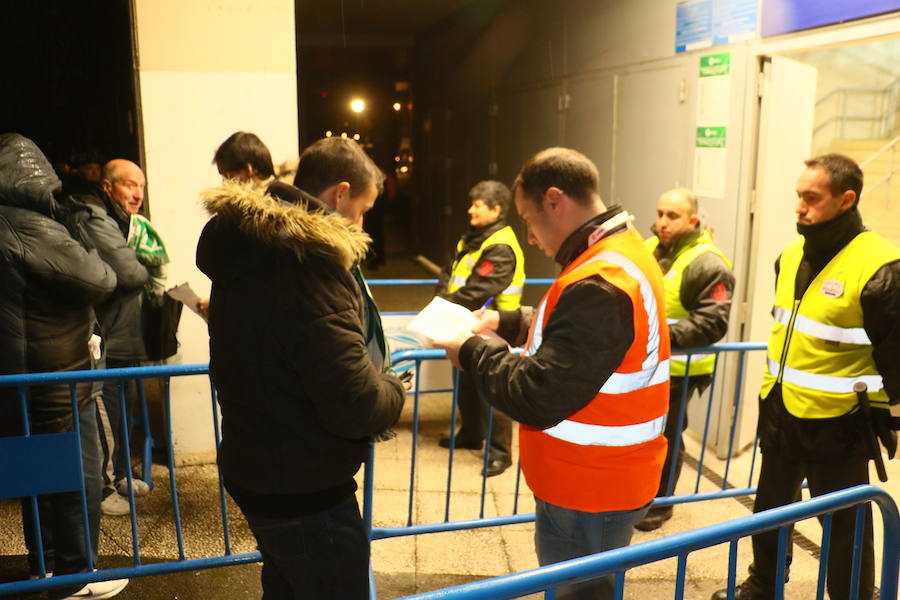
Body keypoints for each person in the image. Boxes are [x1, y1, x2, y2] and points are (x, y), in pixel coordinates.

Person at [435, 147, 670, 600]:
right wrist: (506, 322)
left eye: (528, 218)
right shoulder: (619, 253)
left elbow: (538, 392)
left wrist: (472, 352)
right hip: (601, 478)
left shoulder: (600, 282)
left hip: (589, 486)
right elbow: (582, 337)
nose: (528, 236)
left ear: (555, 201)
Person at [196, 136, 405, 599]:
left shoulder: (253, 243)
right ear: (340, 194)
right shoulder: (308, 263)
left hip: (259, 465)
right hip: (305, 488)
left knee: (287, 584)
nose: (361, 224)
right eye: (363, 211)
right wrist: (395, 388)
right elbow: (356, 404)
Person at [711, 154, 900, 600]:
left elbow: (895, 356)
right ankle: (764, 583)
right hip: (781, 408)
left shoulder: (881, 266)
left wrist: (890, 416)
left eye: (811, 198)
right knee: (770, 507)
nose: (799, 206)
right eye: (798, 195)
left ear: (846, 199)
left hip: (840, 421)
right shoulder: (791, 254)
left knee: (844, 521)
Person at [0, 133, 127, 599]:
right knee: (76, 478)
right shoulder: (32, 226)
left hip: (17, 379)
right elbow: (101, 278)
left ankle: (46, 567)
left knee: (36, 480)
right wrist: (84, 245)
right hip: (57, 377)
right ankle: (76, 577)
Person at [635, 188, 734, 531]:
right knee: (642, 435)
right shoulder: (648, 247)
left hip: (679, 367)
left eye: (672, 216)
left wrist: (656, 338)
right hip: (646, 363)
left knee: (665, 436)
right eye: (660, 213)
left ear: (692, 221)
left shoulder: (708, 263)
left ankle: (659, 504)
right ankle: (638, 496)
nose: (662, 222)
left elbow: (712, 322)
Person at [73, 159, 152, 516]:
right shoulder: (95, 219)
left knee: (123, 412)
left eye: (141, 186)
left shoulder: (128, 224)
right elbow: (133, 273)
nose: (137, 194)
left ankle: (120, 474)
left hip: (125, 335)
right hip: (104, 336)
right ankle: (104, 488)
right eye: (129, 185)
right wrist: (144, 262)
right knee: (104, 416)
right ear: (108, 187)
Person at [434, 180, 525, 477]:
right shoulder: (472, 238)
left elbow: (479, 290)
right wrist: (441, 301)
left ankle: (500, 453)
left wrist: (442, 307)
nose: (470, 210)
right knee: (465, 383)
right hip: (466, 322)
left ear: (496, 210)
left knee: (494, 390)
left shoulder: (500, 245)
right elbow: (448, 273)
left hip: (494, 327)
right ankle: (471, 434)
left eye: (478, 205)